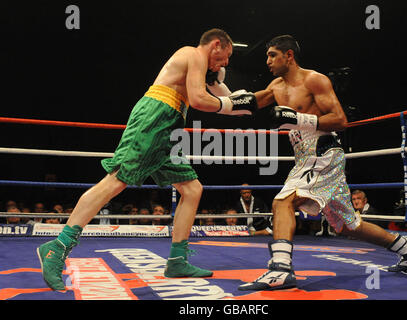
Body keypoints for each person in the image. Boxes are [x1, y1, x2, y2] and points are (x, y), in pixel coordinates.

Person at [36, 28, 260, 291]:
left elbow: (225, 99)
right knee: (116, 182)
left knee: (191, 189)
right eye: (225, 57)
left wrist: (244, 102)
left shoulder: (201, 68)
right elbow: (202, 100)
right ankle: (58, 247)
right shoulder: (194, 53)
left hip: (168, 123)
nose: (226, 63)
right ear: (216, 45)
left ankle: (177, 259)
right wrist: (232, 103)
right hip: (154, 116)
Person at [238, 35, 407, 291]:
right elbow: (249, 103)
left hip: (322, 151)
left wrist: (298, 118)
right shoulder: (275, 86)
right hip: (306, 155)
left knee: (283, 201)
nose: (268, 60)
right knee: (349, 226)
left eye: (272, 55)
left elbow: (340, 119)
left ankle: (280, 269)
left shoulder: (314, 80)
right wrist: (215, 98)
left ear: (289, 55)